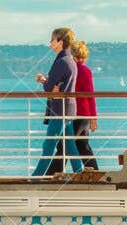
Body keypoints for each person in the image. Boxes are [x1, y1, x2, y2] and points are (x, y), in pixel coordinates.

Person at [32, 27, 79, 177]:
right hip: (69, 108)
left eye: (52, 40)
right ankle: (81, 171)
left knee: (49, 145)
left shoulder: (61, 62)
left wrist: (47, 83)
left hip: (59, 109)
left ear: (60, 41)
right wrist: (50, 83)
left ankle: (36, 177)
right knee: (70, 145)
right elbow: (56, 85)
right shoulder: (70, 60)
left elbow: (49, 88)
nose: (50, 43)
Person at [69, 40, 99, 173]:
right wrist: (93, 117)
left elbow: (89, 94)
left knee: (65, 145)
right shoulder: (85, 70)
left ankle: (51, 174)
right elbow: (90, 96)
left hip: (76, 114)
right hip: (84, 115)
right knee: (82, 146)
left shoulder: (73, 70)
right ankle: (96, 173)